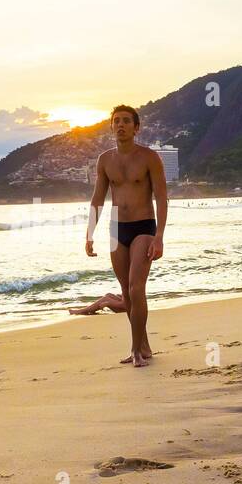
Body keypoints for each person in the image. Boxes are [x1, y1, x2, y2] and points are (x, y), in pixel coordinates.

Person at [85, 104, 168, 367]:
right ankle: (144, 345)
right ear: (111, 126)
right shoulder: (105, 160)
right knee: (126, 292)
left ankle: (135, 350)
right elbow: (98, 199)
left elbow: (162, 199)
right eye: (116, 121)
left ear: (136, 127)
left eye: (126, 121)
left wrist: (159, 236)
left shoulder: (149, 157)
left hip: (144, 226)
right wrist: (89, 234)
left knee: (136, 287)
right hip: (115, 229)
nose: (120, 125)